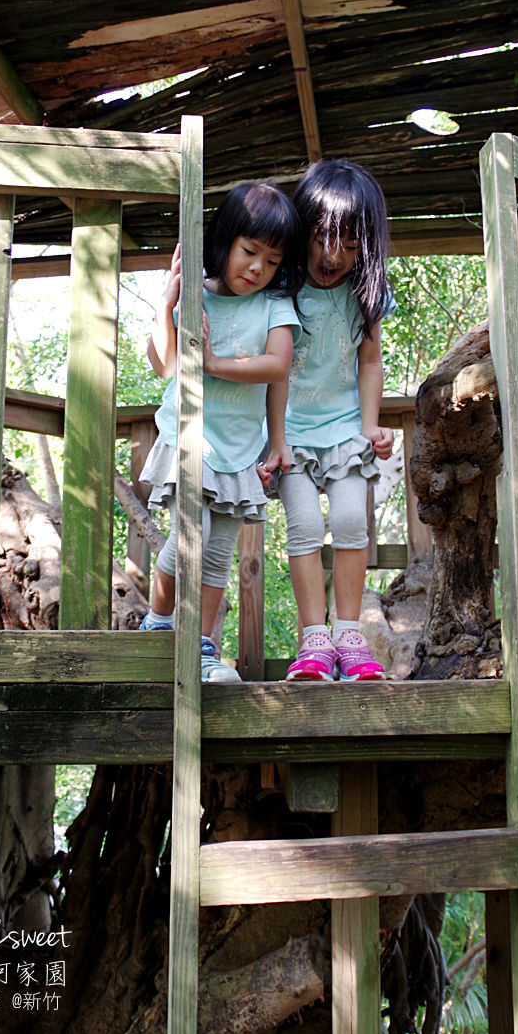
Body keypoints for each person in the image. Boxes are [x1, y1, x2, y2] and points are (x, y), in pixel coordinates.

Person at [140, 182, 305, 681]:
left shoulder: (275, 306)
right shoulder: (198, 298)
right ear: (225, 241)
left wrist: (213, 362)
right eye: (249, 251)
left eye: (272, 261)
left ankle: (205, 646)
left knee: (217, 554)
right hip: (189, 439)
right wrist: (166, 305)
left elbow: (278, 366)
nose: (257, 268)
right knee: (193, 534)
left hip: (239, 453)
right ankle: (159, 624)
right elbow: (165, 365)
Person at [264, 158, 394, 680]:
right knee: (305, 526)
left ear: (367, 244)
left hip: (344, 430)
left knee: (348, 523)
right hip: (290, 432)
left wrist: (369, 426)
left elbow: (369, 360)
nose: (332, 255)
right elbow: (271, 372)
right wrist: (272, 441)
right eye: (321, 238)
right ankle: (314, 640)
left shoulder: (367, 294)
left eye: (349, 243)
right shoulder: (280, 292)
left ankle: (349, 636)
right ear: (303, 232)